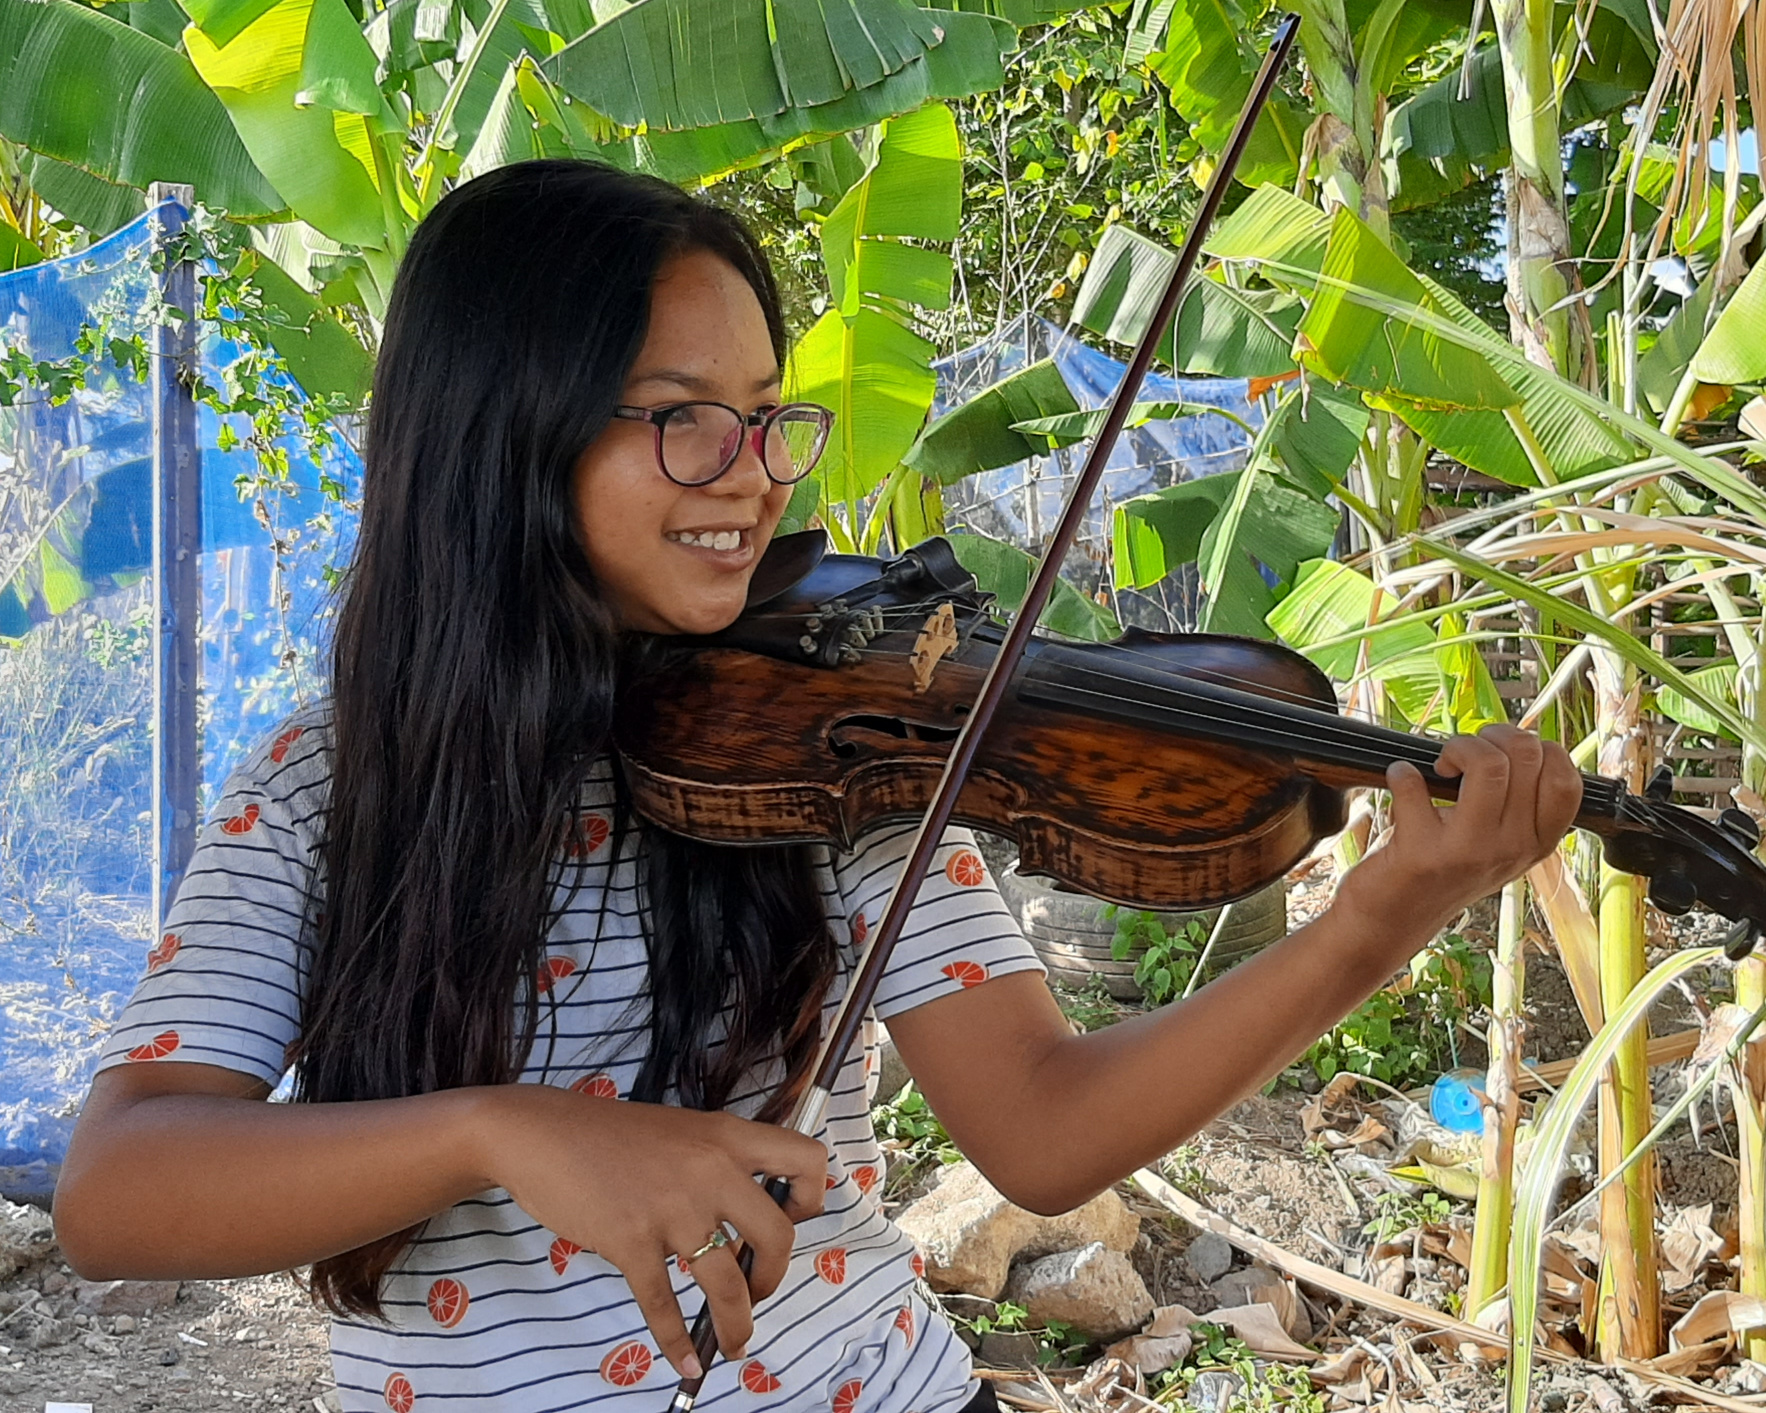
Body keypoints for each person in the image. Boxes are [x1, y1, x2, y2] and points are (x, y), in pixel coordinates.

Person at [54, 159, 1584, 1413]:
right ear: (506, 437)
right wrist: (497, 1129)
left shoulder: (831, 749)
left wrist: (1378, 917)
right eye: (684, 417)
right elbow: (117, 1190)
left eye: (771, 412)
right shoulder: (331, 791)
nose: (759, 470)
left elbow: (1040, 1131)